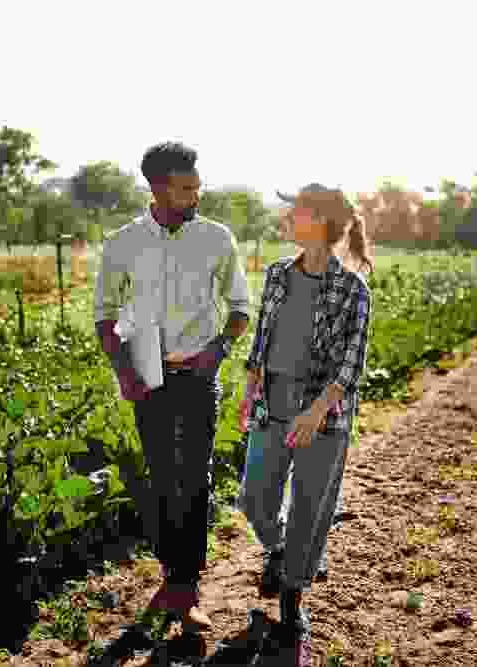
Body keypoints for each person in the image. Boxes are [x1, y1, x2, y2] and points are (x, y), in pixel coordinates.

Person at [93, 142, 252, 631]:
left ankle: (187, 585)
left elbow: (240, 308)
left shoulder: (217, 238)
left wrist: (217, 351)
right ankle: (171, 576)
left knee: (196, 478)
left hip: (199, 376)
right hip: (149, 377)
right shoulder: (123, 243)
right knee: (162, 478)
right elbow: (104, 315)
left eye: (197, 186)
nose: (196, 194)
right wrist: (125, 373)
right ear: (157, 188)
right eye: (186, 188)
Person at [238, 183, 373, 639]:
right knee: (254, 498)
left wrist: (316, 411)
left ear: (319, 221)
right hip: (272, 403)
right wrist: (249, 386)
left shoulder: (353, 289)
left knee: (311, 509)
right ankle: (279, 551)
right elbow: (262, 335)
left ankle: (293, 597)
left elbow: (352, 363)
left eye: (295, 210)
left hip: (324, 413)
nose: (287, 216)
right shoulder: (278, 274)